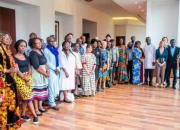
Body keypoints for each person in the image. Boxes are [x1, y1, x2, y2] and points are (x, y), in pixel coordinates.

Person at [14, 39, 39, 124]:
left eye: (24, 46)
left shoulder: (27, 57)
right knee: (28, 98)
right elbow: (17, 71)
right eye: (21, 46)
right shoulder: (14, 58)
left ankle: (23, 114)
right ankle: (35, 116)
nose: (23, 48)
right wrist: (25, 78)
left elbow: (29, 68)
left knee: (26, 98)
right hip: (20, 79)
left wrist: (28, 77)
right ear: (17, 47)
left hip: (28, 77)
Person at [0, 33, 21, 129]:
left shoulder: (8, 50)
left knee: (12, 102)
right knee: (4, 103)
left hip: (10, 79)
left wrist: (14, 69)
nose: (8, 39)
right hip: (3, 81)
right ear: (1, 39)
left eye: (9, 38)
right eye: (6, 38)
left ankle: (10, 123)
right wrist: (9, 70)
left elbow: (11, 65)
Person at [29, 37, 49, 116]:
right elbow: (36, 66)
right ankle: (36, 109)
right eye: (37, 43)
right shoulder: (32, 53)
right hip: (37, 74)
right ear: (33, 44)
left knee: (42, 91)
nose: (40, 44)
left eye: (40, 42)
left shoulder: (41, 51)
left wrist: (47, 70)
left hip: (43, 72)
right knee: (37, 92)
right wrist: (45, 73)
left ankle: (40, 106)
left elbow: (45, 62)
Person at [44, 36, 60, 110]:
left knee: (55, 86)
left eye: (53, 41)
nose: (52, 42)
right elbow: (47, 62)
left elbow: (58, 60)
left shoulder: (55, 49)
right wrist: (54, 69)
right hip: (50, 70)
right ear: (48, 42)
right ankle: (51, 103)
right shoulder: (46, 50)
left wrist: (58, 68)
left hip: (56, 70)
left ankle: (53, 99)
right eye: (50, 41)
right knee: (51, 87)